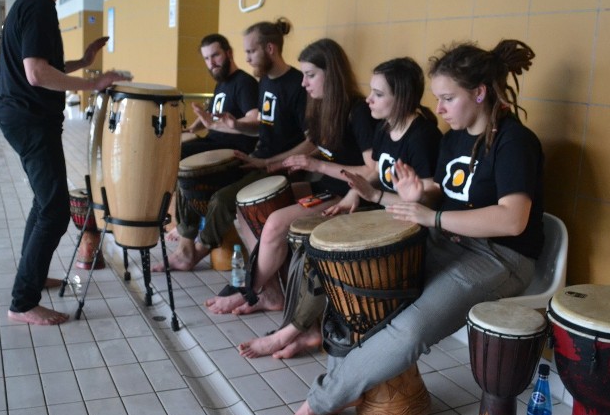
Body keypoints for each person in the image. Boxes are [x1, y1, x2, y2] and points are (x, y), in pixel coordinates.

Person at [287, 39, 544, 415]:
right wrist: (394, 197)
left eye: (447, 98)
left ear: (480, 93)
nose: (438, 109)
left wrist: (433, 216)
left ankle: (320, 400)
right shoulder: (455, 137)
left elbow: (513, 220)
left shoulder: (514, 141)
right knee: (360, 284)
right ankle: (345, 385)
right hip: (450, 239)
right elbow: (437, 198)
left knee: (410, 331)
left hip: (501, 257)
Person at [238, 56, 441, 358]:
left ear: (403, 97)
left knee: (325, 253)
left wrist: (374, 196)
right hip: (377, 210)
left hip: (401, 226)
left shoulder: (423, 135)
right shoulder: (386, 129)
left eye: (379, 94)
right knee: (310, 248)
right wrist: (354, 194)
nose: (370, 99)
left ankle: (289, 331)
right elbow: (374, 174)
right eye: (371, 91)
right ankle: (305, 329)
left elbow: (429, 196)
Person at [0, 0, 129, 326]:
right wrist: (93, 84)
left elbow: (43, 66)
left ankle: (29, 280)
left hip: (27, 117)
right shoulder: (36, 6)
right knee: (54, 210)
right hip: (29, 119)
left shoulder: (37, 6)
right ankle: (22, 302)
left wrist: (83, 62)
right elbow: (35, 75)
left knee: (44, 203)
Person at [211, 38, 376, 316]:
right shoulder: (322, 107)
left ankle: (248, 290)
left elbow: (373, 171)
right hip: (327, 187)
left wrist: (319, 167)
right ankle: (271, 293)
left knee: (275, 223)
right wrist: (268, 163)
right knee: (246, 209)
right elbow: (314, 148)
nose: (303, 83)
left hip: (347, 197)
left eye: (311, 75)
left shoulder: (358, 111)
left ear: (332, 74)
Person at [160, 18, 309, 274]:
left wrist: (270, 163)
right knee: (188, 178)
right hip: (257, 159)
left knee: (221, 200)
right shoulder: (265, 82)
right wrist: (237, 125)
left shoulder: (297, 85)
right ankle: (186, 246)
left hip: (278, 167)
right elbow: (261, 127)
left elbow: (312, 142)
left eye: (251, 51)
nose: (247, 58)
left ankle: (196, 252)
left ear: (270, 49)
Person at [181, 33, 259, 158]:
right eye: (206, 58)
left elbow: (254, 118)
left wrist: (217, 125)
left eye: (215, 55)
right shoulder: (221, 84)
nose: (211, 63)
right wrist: (192, 128)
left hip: (233, 148)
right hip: (213, 143)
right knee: (174, 148)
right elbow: (211, 115)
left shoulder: (244, 82)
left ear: (229, 53)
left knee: (179, 153)